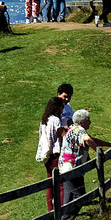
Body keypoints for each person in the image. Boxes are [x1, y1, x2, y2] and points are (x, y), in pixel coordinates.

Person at [39, 83, 74, 211]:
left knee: (50, 183)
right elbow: (63, 135)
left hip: (48, 155)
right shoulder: (55, 120)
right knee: (61, 184)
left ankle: (51, 210)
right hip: (56, 154)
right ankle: (62, 211)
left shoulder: (45, 119)